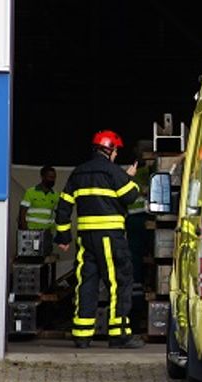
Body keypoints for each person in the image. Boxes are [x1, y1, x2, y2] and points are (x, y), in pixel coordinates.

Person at [54, 130, 143, 349]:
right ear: (109, 149)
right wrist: (130, 177)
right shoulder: (114, 172)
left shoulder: (77, 173)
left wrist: (64, 236)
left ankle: (82, 335)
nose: (116, 154)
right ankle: (119, 334)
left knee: (86, 283)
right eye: (116, 151)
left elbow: (63, 207)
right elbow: (131, 196)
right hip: (110, 238)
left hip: (86, 239)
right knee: (118, 283)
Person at [18, 166, 58, 234]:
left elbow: (57, 215)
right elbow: (22, 213)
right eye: (50, 177)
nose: (52, 180)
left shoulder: (55, 195)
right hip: (31, 231)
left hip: (47, 232)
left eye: (54, 177)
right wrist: (26, 231)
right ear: (42, 177)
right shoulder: (30, 192)